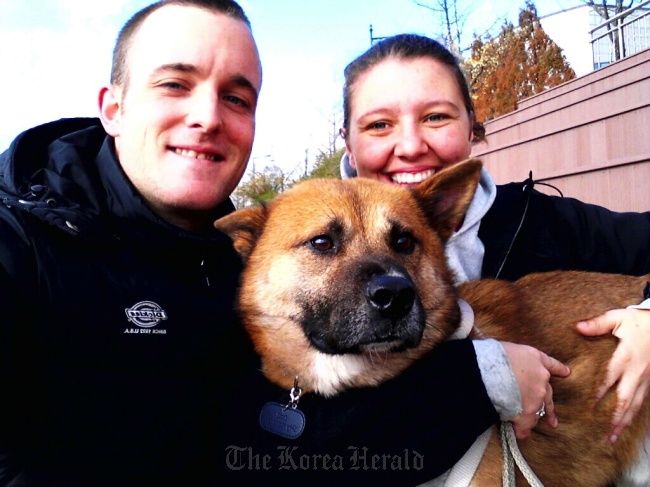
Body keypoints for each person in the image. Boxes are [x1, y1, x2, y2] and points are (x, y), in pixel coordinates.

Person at [0, 2, 550, 486]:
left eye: (236, 98)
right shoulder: (21, 244)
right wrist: (483, 380)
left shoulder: (232, 254)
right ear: (113, 107)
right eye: (175, 84)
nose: (207, 117)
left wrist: (641, 314)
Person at [339, 32, 650, 454]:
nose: (411, 146)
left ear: (472, 124)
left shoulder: (546, 222)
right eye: (379, 125)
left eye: (436, 117)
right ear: (349, 143)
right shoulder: (297, 247)